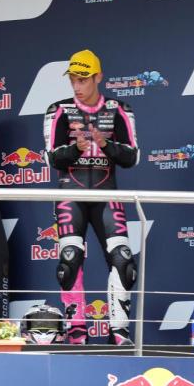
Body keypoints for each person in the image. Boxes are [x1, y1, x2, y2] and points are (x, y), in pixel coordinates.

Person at [44, 49, 138, 345]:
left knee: (123, 260)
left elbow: (132, 157)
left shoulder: (120, 109)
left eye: (83, 79)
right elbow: (52, 158)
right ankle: (77, 333)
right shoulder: (58, 109)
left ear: (98, 77)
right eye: (73, 79)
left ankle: (119, 334)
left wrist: (105, 144)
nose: (76, 86)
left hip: (106, 193)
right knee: (69, 260)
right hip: (70, 195)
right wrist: (77, 150)